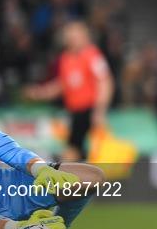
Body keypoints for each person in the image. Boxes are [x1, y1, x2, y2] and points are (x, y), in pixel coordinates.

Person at [24, 21, 114, 160]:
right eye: (70, 37)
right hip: (74, 112)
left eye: (76, 36)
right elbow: (62, 84)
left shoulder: (92, 55)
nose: (73, 40)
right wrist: (40, 93)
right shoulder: (66, 58)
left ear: (85, 36)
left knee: (74, 151)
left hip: (88, 111)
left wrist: (99, 111)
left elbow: (105, 82)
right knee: (75, 150)